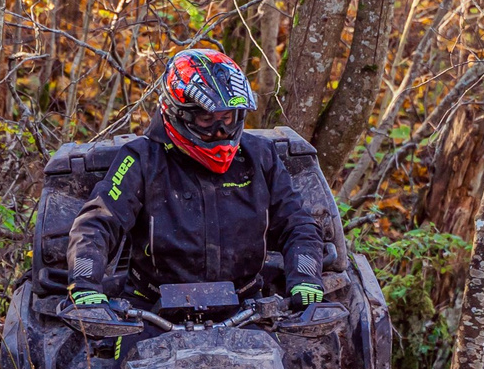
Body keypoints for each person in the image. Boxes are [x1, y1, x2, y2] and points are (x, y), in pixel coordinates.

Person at [67, 47, 327, 309]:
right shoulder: (141, 158)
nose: (220, 131)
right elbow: (97, 222)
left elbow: (298, 224)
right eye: (207, 119)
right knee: (104, 348)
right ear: (178, 113)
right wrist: (85, 284)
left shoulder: (260, 156)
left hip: (245, 307)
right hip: (151, 309)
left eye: (227, 118)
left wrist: (305, 277)